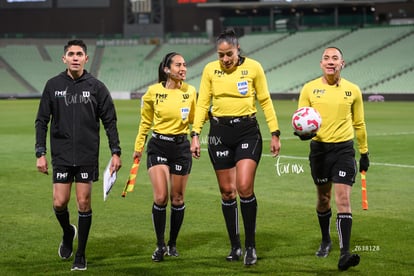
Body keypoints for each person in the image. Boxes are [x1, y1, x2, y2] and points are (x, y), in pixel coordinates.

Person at [190, 29, 281, 266]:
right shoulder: (210, 70)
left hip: (247, 132)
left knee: (243, 187)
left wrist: (275, 133)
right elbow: (202, 103)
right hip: (219, 134)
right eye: (221, 55)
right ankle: (235, 246)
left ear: (237, 49)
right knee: (227, 191)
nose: (225, 59)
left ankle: (251, 246)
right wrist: (195, 133)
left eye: (228, 54)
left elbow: (265, 100)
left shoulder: (254, 68)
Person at [35, 39, 122, 271]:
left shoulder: (97, 87)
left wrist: (116, 151)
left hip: (86, 154)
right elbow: (42, 121)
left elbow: (110, 121)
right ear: (64, 58)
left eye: (79, 54)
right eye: (71, 54)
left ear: (86, 58)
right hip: (62, 154)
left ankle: (80, 255)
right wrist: (40, 152)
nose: (75, 57)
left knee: (83, 202)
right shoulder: (53, 85)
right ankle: (67, 233)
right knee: (59, 202)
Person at [295, 46, 369, 271]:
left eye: (335, 58)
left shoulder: (353, 91)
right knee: (324, 200)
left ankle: (345, 253)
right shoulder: (309, 89)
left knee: (343, 200)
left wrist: (364, 152)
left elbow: (359, 123)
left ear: (342, 64)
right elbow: (301, 120)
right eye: (326, 58)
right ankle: (326, 239)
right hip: (320, 151)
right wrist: (302, 133)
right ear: (321, 64)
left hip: (344, 151)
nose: (330, 61)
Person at [133, 52, 196, 262]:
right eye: (178, 65)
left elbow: (196, 121)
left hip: (181, 149)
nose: (183, 68)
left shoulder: (191, 92)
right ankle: (160, 245)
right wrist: (138, 147)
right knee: (161, 197)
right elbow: (145, 122)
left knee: (177, 199)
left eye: (185, 65)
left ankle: (172, 243)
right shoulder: (153, 92)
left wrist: (195, 138)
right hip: (158, 146)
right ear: (167, 69)